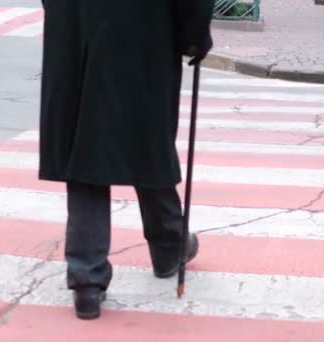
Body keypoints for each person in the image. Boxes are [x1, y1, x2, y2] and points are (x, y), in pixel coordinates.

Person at [38, 0, 214, 320]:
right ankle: (169, 247)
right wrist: (195, 34)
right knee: (146, 142)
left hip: (76, 32)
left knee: (86, 144)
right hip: (146, 35)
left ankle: (87, 279)